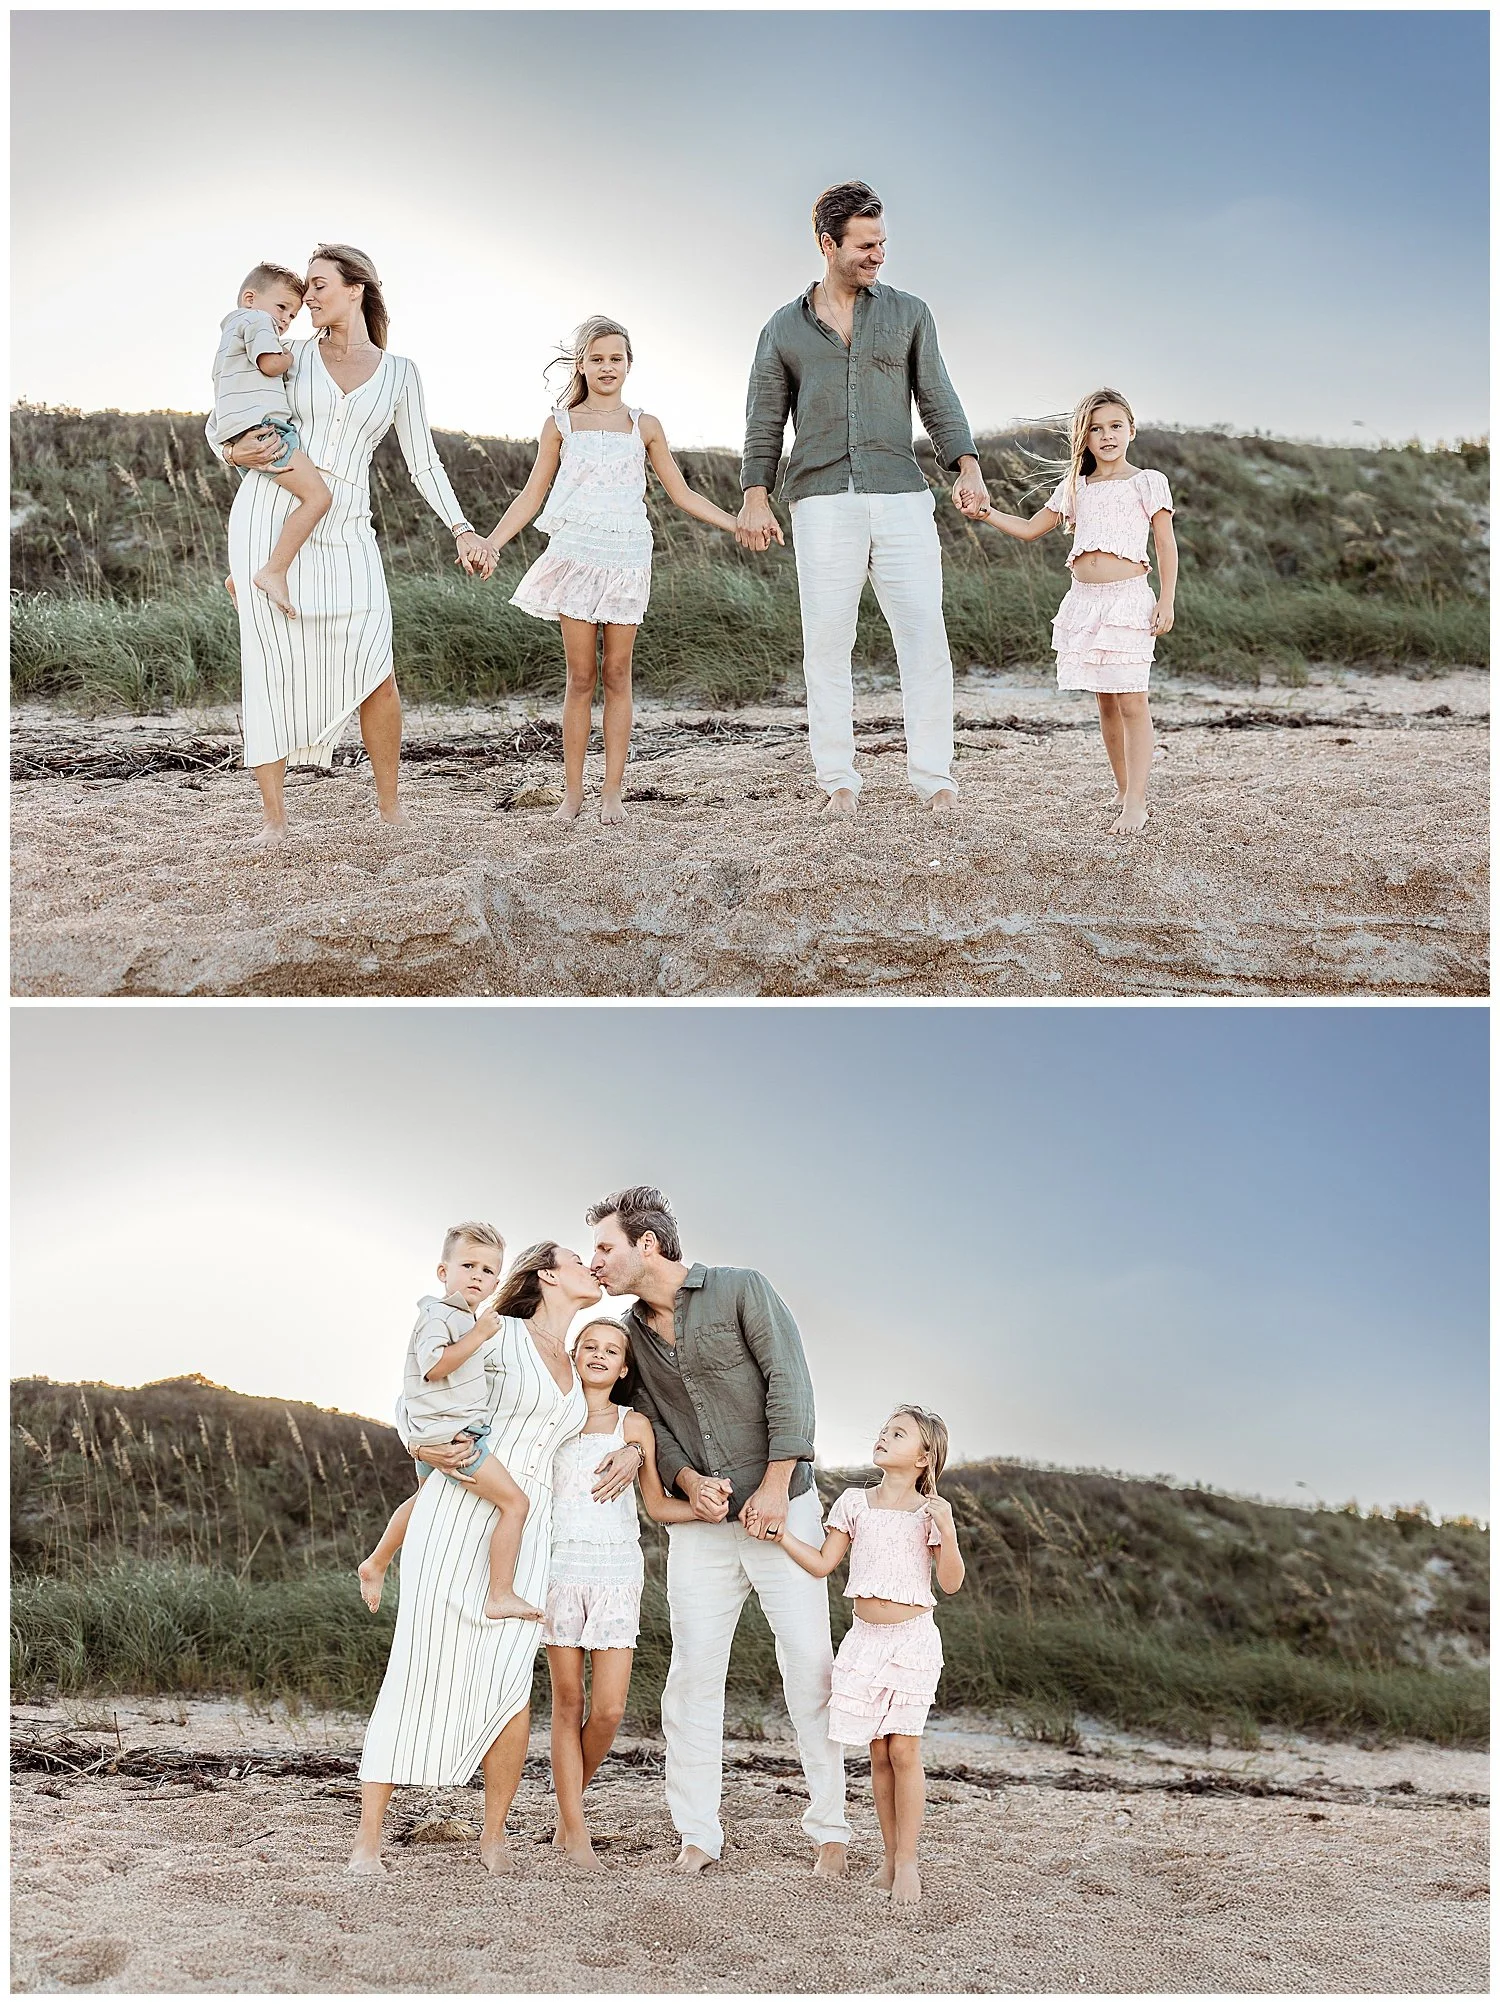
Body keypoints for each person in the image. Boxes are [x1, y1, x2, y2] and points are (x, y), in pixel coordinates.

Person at [586, 1184, 851, 1878]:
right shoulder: (628, 1334)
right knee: (691, 1680)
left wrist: (770, 1486)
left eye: (605, 1247)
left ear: (648, 1243)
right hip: (701, 1532)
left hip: (782, 1511)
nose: (596, 1263)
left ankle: (830, 1830)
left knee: (810, 1672)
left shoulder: (740, 1289)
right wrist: (683, 1482)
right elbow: (647, 1423)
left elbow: (789, 1383)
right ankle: (697, 1835)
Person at [216, 244, 493, 847]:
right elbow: (232, 404)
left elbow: (423, 461)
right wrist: (230, 451)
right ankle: (274, 822)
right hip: (271, 516)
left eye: (317, 286)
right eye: (303, 290)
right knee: (267, 667)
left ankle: (390, 809)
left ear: (355, 289)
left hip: (348, 531)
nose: (306, 300)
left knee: (377, 669)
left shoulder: (400, 373)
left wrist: (461, 527)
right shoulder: (285, 355)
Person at [737, 181, 989, 818]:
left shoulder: (910, 313)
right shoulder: (782, 329)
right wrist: (755, 496)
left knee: (924, 640)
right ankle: (838, 781)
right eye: (865, 244)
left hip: (902, 495)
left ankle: (934, 779)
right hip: (820, 500)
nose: (878, 255)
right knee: (826, 643)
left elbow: (937, 396)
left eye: (883, 243)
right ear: (828, 244)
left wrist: (967, 466)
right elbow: (764, 419)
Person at [348, 1241, 596, 1879]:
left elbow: (600, 1431)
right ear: (547, 1275)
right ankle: (367, 1844)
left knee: (512, 1689)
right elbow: (416, 1392)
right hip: (457, 1517)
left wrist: (629, 1455)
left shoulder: (573, 1360)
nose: (591, 1267)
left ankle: (493, 1840)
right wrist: (422, 1447)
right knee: (418, 1670)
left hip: (522, 1541)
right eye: (577, 1259)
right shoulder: (501, 1333)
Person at [479, 317, 740, 824]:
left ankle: (612, 793)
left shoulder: (644, 425)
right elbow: (532, 496)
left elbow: (681, 494)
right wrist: (491, 541)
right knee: (581, 677)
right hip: (576, 554)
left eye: (615, 358)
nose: (606, 367)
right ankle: (572, 794)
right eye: (596, 358)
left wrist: (735, 524)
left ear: (629, 364)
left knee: (618, 673)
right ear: (581, 363)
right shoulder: (561, 423)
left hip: (626, 557)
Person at [772, 1406, 965, 1906]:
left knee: (904, 1750)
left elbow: (950, 1583)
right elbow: (822, 1564)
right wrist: (780, 1536)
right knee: (878, 1754)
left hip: (912, 1642)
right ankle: (887, 1855)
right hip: (863, 1642)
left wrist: (949, 1532)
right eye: (883, 1430)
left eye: (897, 1434)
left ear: (924, 1457)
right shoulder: (854, 1503)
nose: (883, 1436)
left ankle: (908, 1862)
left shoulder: (931, 1512)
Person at [964, 388, 1177, 835]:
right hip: (1084, 604)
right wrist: (986, 514)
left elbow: (1164, 545)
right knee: (1105, 703)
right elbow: (1028, 530)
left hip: (1128, 600)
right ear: (1084, 437)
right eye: (1096, 429)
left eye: (1115, 426)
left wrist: (1167, 598)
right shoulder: (1075, 487)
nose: (1106, 436)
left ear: (1131, 430)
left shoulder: (1148, 481)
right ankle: (1122, 788)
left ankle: (1137, 801)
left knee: (1133, 701)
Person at [543, 1317, 695, 1869]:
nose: (600, 1356)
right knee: (568, 1702)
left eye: (612, 1350)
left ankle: (565, 1810)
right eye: (590, 1346)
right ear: (574, 1354)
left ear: (625, 1366)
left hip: (615, 1574)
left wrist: (703, 1510)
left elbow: (656, 1506)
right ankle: (575, 1828)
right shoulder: (551, 1418)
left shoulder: (636, 1426)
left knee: (608, 1711)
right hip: (559, 1569)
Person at [355, 1221, 543, 1624]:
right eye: (468, 1265)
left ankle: (377, 1561)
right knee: (515, 1503)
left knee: (426, 1503)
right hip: (453, 1439)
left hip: (434, 1434)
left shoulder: (460, 1317)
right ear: (444, 1272)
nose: (478, 1275)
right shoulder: (439, 1315)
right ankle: (501, 1593)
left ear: (497, 1281)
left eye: (488, 1270)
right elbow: (434, 1367)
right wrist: (478, 1336)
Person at [208, 264, 331, 619]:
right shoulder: (256, 322)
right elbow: (269, 364)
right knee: (318, 496)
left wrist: (230, 449)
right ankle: (273, 570)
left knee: (270, 507)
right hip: (266, 430)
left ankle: (237, 575)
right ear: (251, 299)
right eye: (282, 307)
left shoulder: (228, 338)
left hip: (238, 431)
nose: (286, 320)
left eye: (293, 315)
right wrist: (287, 357)